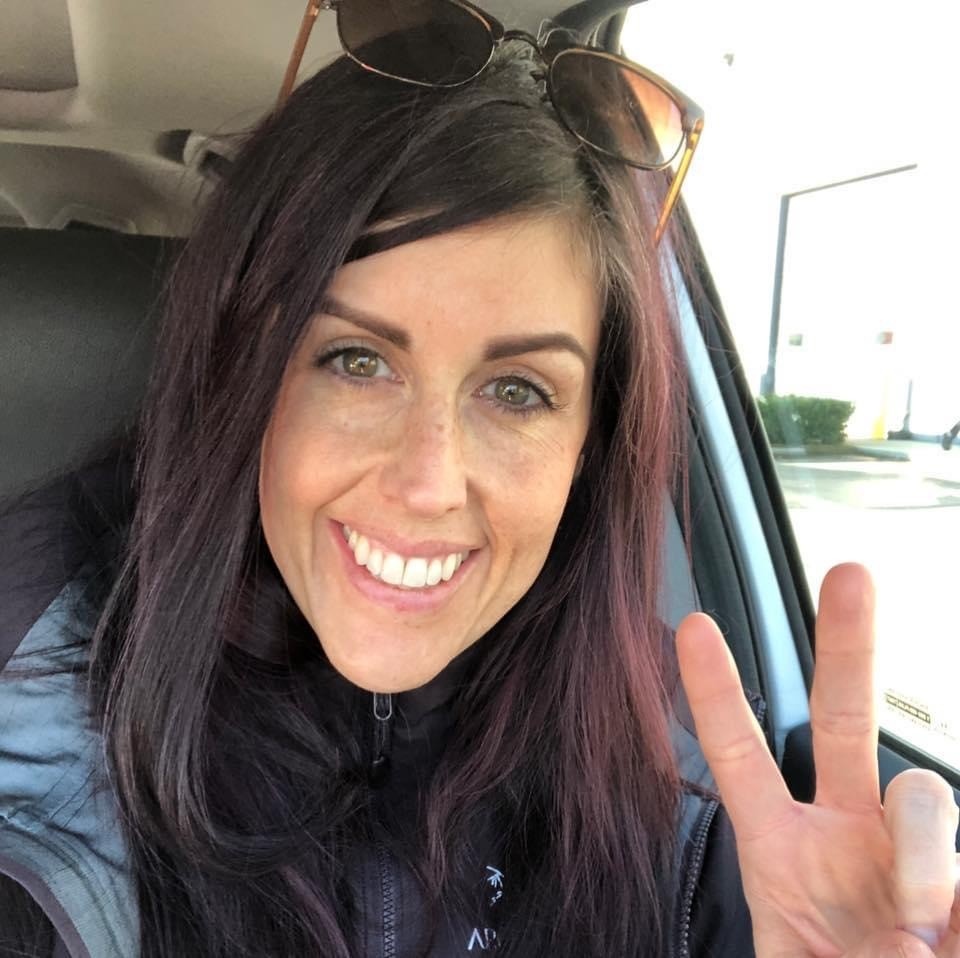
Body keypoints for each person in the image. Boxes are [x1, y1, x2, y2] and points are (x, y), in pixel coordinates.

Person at [1, 4, 958, 957]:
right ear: (245, 369)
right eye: (356, 361)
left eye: (516, 391)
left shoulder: (693, 791)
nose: (429, 483)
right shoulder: (32, 736)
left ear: (588, 445)